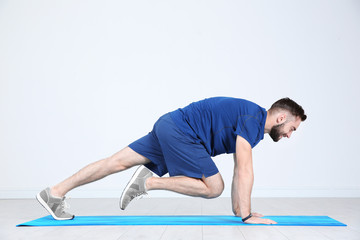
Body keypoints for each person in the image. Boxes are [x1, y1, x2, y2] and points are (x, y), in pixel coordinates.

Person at [36, 96, 307, 224]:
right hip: (182, 132)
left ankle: (54, 192)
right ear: (281, 118)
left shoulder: (250, 121)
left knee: (114, 162)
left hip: (170, 124)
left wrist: (240, 212)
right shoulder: (253, 119)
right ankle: (149, 183)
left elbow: (239, 169)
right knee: (214, 187)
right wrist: (247, 216)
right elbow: (245, 170)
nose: (289, 135)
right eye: (292, 129)